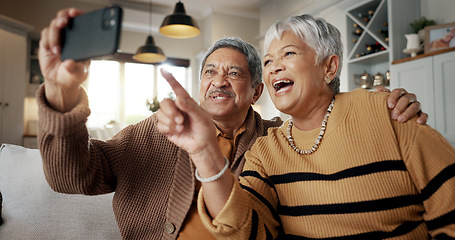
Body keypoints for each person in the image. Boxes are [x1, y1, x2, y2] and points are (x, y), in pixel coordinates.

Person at [37, 8, 427, 240]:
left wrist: (385, 110)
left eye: (234, 74)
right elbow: (71, 177)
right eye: (210, 71)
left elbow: (327, 126)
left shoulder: (279, 142)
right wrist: (61, 94)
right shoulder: (151, 132)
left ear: (257, 91)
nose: (218, 80)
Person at [157, 14, 455, 239]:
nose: (274, 67)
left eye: (288, 53)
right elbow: (245, 230)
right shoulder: (266, 150)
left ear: (329, 67)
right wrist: (204, 152)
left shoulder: (387, 111)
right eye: (269, 60)